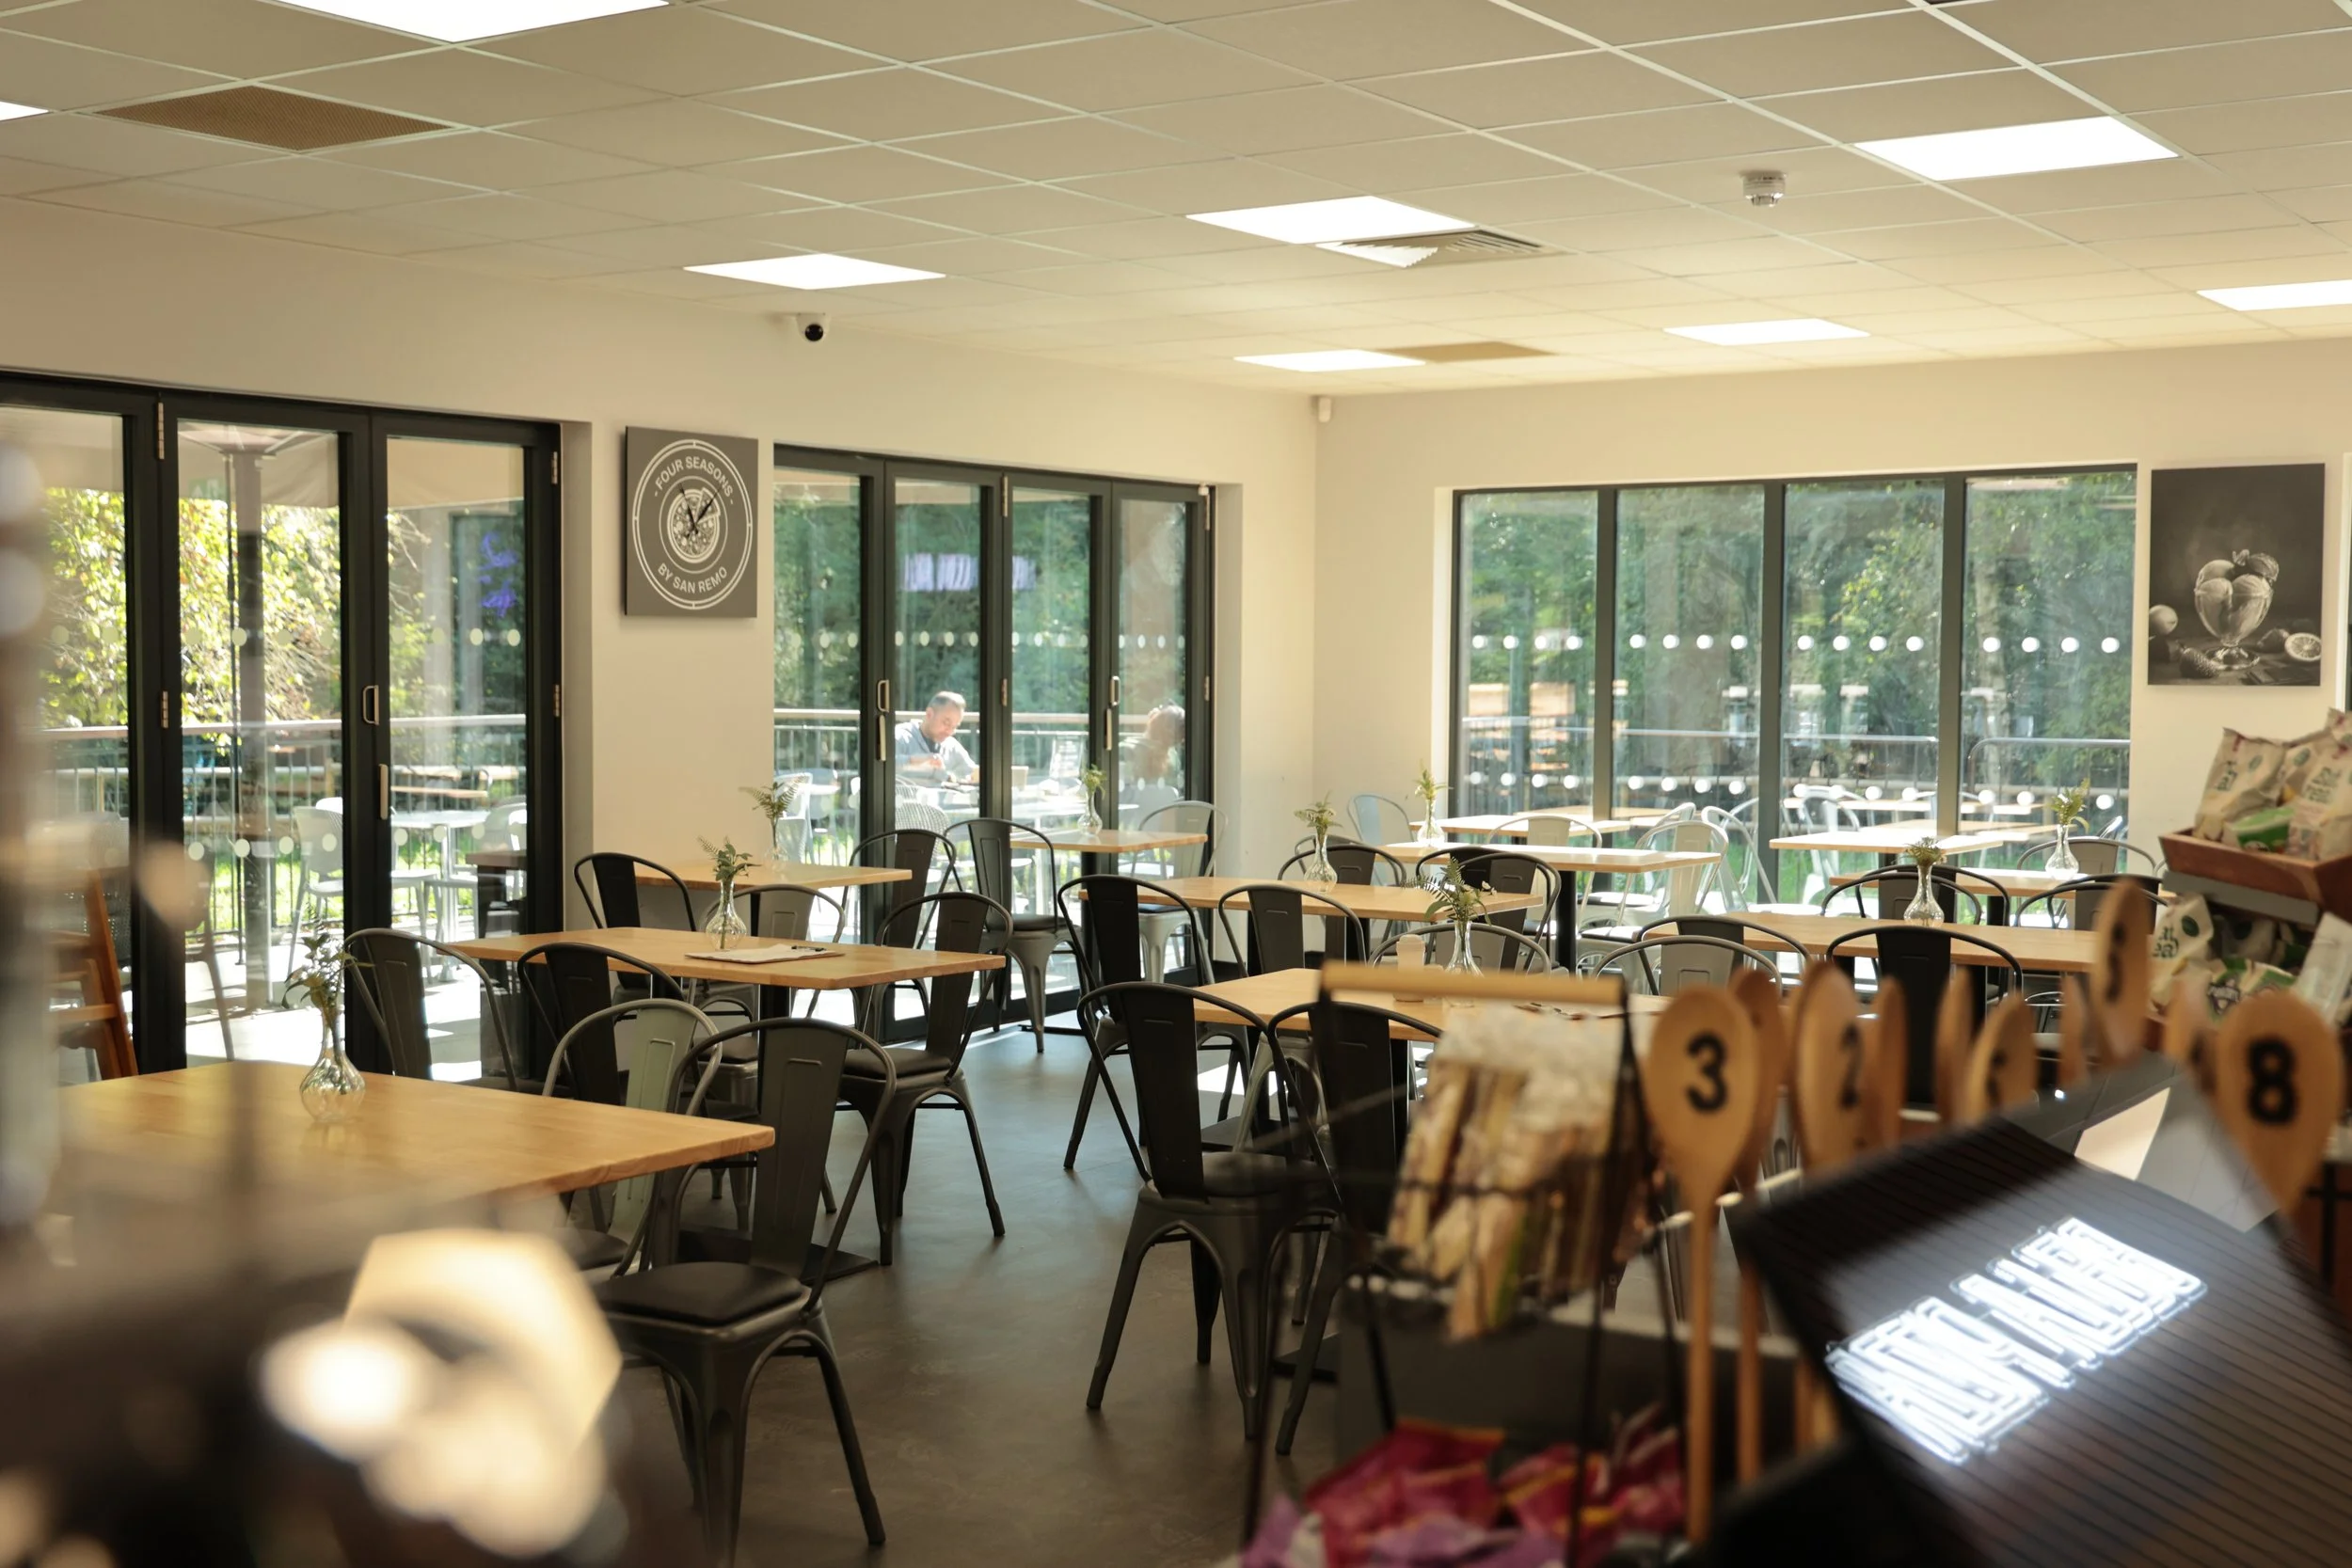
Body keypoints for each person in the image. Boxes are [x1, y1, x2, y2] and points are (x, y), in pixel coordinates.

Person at [896, 690, 977, 782]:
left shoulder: (952, 746)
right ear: (929, 714)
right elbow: (881, 766)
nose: (950, 731)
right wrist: (912, 761)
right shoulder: (901, 736)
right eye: (946, 723)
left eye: (955, 727)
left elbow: (972, 772)